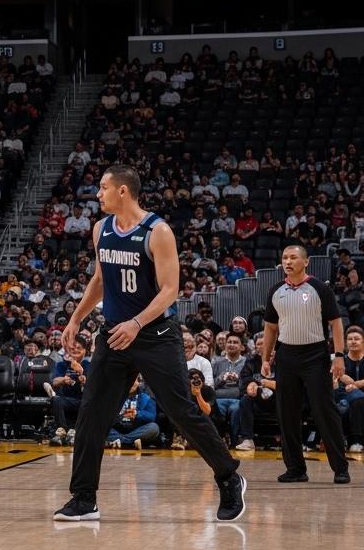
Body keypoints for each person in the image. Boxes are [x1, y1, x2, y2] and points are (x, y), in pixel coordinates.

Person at [53, 166, 244, 522]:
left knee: (181, 411)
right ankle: (83, 498)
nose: (98, 193)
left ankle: (229, 476)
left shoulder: (157, 231)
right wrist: (76, 318)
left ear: (123, 191)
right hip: (114, 335)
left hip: (154, 335)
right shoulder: (100, 229)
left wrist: (137, 322)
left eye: (103, 187)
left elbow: (170, 291)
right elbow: (99, 280)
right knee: (91, 414)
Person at [260, 245, 351, 483]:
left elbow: (336, 323)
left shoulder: (320, 288)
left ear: (306, 262)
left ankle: (340, 468)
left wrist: (339, 355)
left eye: (293, 257)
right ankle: (296, 469)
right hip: (286, 356)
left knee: (324, 411)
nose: (288, 261)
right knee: (287, 413)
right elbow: (270, 327)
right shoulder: (275, 290)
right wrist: (265, 359)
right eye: (284, 257)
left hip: (315, 355)